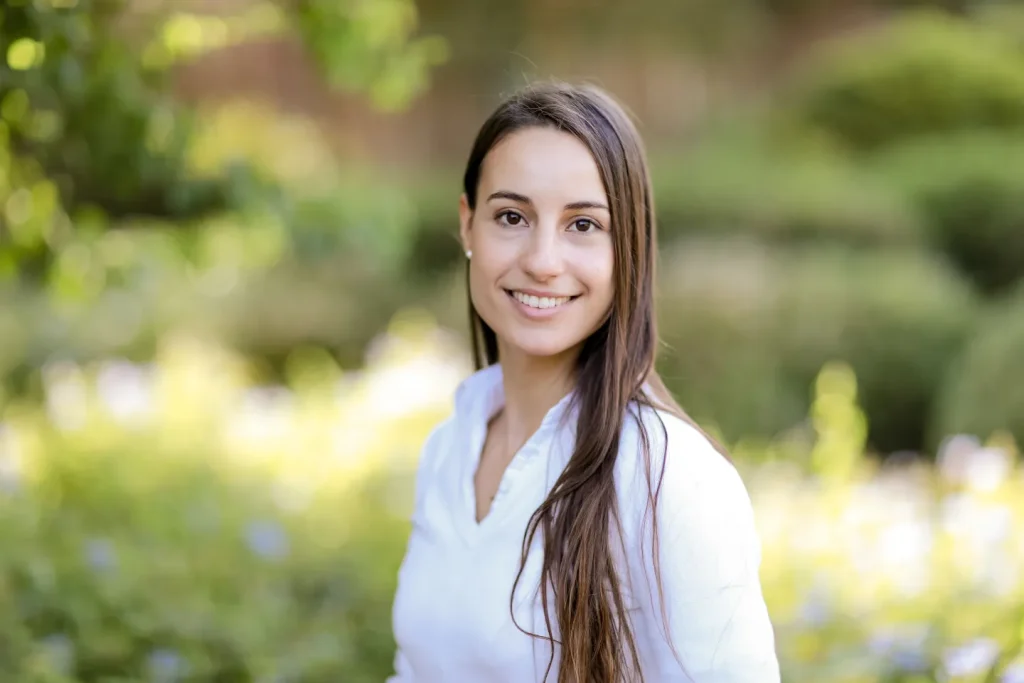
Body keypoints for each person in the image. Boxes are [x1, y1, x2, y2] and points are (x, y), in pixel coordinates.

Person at [387, 82, 780, 683]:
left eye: (584, 225)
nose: (543, 260)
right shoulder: (451, 446)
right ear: (468, 226)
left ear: (629, 246)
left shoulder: (665, 475)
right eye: (512, 217)